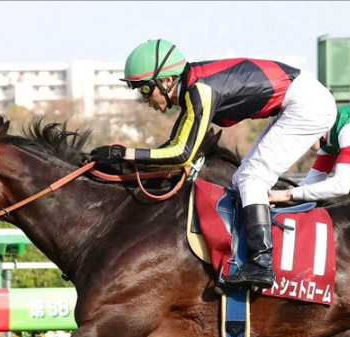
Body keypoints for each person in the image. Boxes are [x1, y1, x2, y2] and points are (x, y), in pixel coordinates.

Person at [90, 39, 336, 290]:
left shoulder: (200, 90)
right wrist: (123, 158)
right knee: (242, 179)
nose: (144, 98)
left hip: (307, 104)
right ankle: (250, 256)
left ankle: (262, 264)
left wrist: (125, 154)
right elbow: (174, 146)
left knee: (252, 179)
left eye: (144, 89)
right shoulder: (193, 88)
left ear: (166, 81)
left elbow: (181, 155)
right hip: (298, 101)